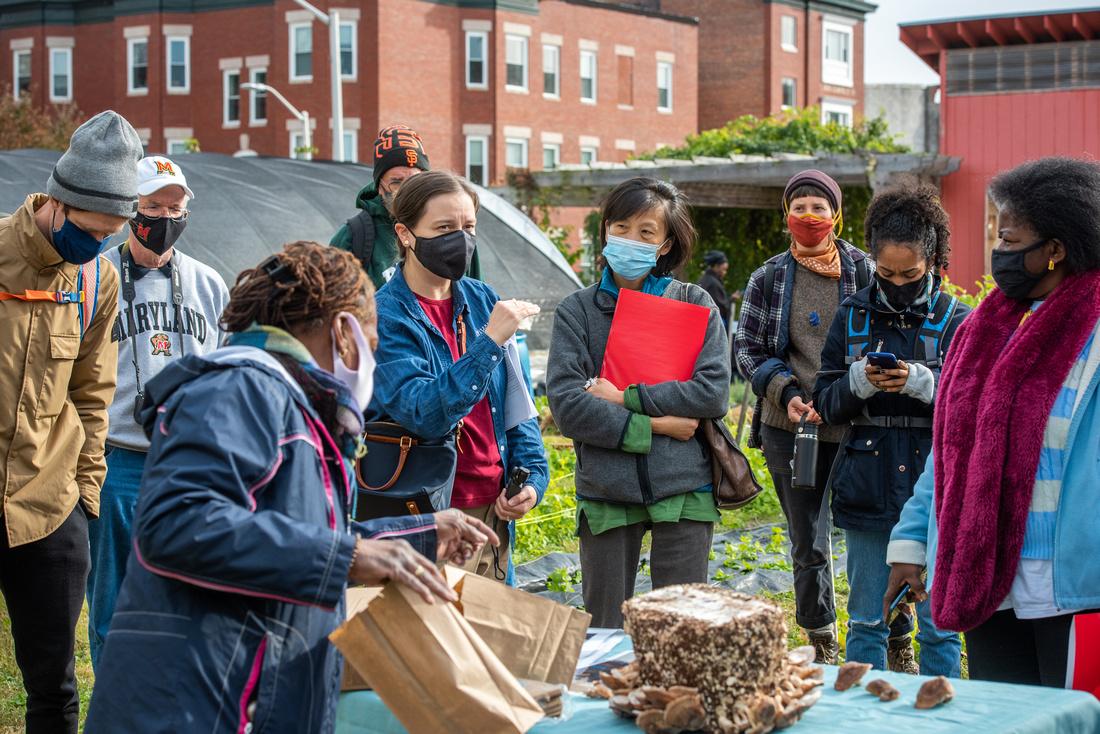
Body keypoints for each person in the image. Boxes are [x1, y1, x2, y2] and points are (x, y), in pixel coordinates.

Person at [85, 241, 499, 733]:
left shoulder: (295, 406)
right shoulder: (239, 388)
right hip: (199, 706)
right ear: (344, 332)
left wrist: (420, 535)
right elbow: (178, 524)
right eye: (373, 338)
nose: (373, 357)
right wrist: (346, 558)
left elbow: (296, 534)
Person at [886, 157, 1100, 688]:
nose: (997, 252)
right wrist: (913, 544)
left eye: (1008, 239)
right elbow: (949, 449)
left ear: (1055, 250)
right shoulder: (984, 330)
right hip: (987, 579)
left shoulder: (1093, 337)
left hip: (1077, 590)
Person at [0, 110, 139, 733]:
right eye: (88, 230)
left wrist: (85, 494)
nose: (95, 246)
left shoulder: (96, 280)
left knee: (54, 689)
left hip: (51, 505)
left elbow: (92, 393)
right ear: (56, 202)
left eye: (111, 235)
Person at [547, 177, 730, 628]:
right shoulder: (578, 311)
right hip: (607, 493)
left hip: (684, 488)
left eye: (647, 232)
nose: (632, 239)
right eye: (622, 227)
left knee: (680, 631)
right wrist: (658, 425)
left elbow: (712, 392)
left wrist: (623, 396)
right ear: (606, 229)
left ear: (666, 243)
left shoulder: (694, 302)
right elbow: (569, 405)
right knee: (605, 632)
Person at [812, 182, 967, 676]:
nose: (897, 282)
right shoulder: (852, 315)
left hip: (934, 490)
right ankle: (861, 718)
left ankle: (943, 713)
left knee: (941, 625)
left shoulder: (957, 320)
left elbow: (976, 408)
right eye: (886, 272)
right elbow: (825, 402)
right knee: (865, 620)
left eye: (911, 273)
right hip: (866, 489)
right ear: (872, 260)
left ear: (935, 261)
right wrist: (856, 381)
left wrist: (924, 383)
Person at [86, 155, 230, 669]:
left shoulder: (208, 284)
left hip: (187, 459)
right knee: (114, 602)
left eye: (176, 206)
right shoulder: (94, 276)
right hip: (115, 458)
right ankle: (114, 709)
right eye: (153, 206)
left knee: (191, 594)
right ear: (130, 210)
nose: (166, 217)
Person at [369, 170, 548, 581]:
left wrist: (533, 479)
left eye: (468, 227)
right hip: (431, 515)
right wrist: (489, 342)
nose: (460, 239)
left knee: (491, 643)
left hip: (494, 511)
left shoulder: (481, 299)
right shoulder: (386, 316)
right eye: (444, 228)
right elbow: (424, 413)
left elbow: (518, 406)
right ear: (406, 233)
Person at [734, 170, 876, 663]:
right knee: (807, 539)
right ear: (785, 215)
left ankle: (886, 634)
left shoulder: (867, 272)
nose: (809, 216)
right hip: (791, 426)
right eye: (800, 207)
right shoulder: (769, 277)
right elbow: (747, 348)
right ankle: (821, 639)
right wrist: (785, 390)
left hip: (860, 423)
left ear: (836, 215)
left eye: (820, 207)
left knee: (874, 531)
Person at [330, 124, 430, 287]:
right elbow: (334, 306)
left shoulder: (451, 231)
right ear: (379, 187)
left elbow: (476, 306)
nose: (406, 191)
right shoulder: (353, 238)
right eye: (396, 182)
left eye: (415, 181)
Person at [698, 249, 732, 330]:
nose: (725, 272)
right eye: (723, 269)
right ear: (716, 266)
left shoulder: (704, 279)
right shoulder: (713, 283)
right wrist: (731, 300)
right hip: (711, 325)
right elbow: (720, 307)